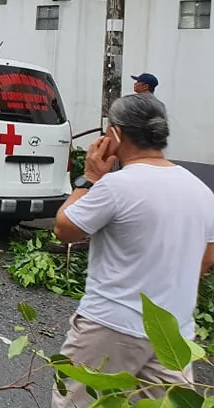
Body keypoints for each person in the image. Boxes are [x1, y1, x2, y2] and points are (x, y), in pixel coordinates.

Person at [51, 93, 214, 407]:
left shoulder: (116, 186)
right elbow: (206, 259)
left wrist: (90, 178)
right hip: (174, 335)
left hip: (110, 327)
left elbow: (65, 229)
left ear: (115, 134)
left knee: (80, 402)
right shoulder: (202, 192)